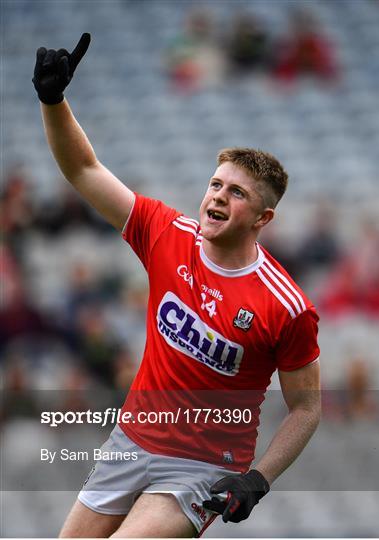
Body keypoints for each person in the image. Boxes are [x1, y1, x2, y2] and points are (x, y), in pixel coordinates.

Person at [32, 34, 321, 538]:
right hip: (130, 440)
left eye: (236, 193)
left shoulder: (286, 306)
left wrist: (259, 479)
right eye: (215, 184)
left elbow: (308, 407)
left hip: (200, 465)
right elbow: (84, 169)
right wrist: (53, 102)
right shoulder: (167, 234)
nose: (217, 196)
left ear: (262, 217)